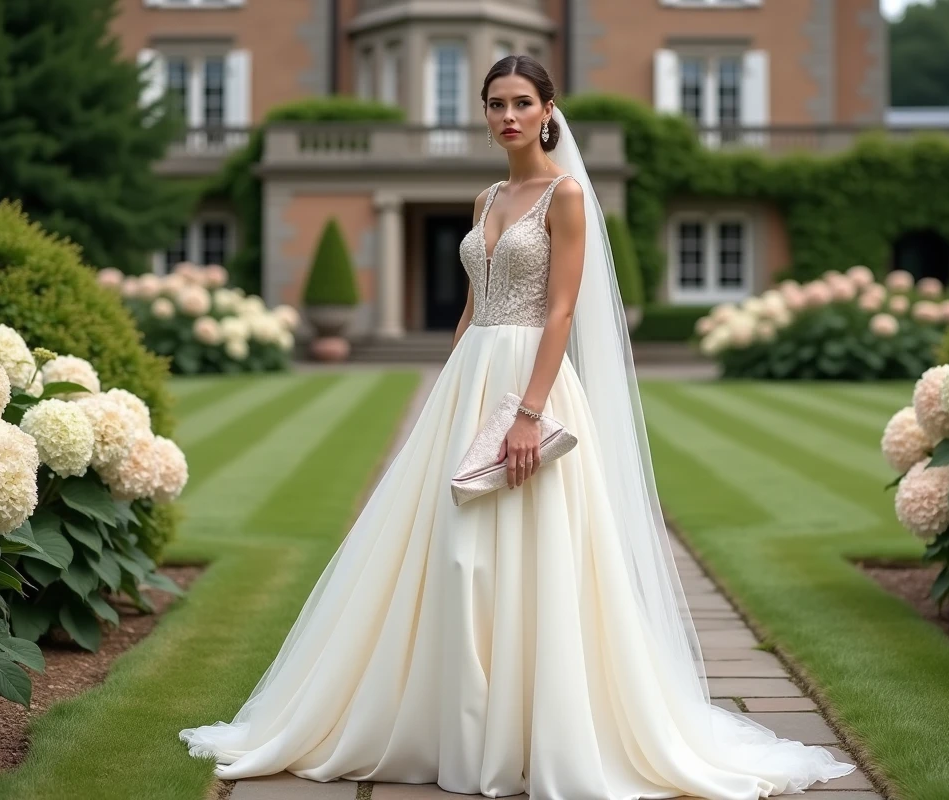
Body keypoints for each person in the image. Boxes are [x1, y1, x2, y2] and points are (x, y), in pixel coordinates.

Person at [179, 55, 856, 799]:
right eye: (495, 103)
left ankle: (535, 727)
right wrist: (449, 389)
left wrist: (530, 413)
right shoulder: (485, 197)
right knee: (453, 551)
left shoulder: (565, 196)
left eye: (521, 102)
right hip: (472, 377)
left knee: (537, 550)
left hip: (533, 381)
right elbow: (475, 302)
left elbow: (561, 310)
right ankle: (453, 722)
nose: (507, 115)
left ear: (547, 110)